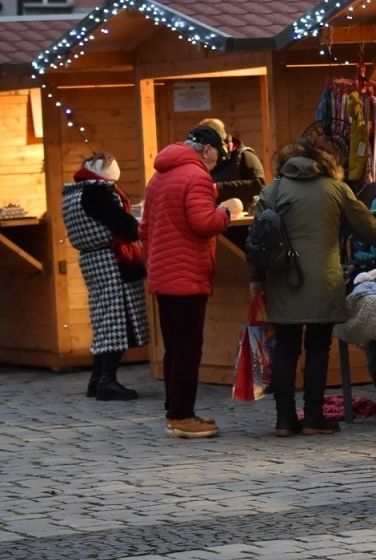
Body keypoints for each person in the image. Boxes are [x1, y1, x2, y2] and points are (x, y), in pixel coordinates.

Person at [250, 139, 376, 437]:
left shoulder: (273, 190)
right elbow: (366, 228)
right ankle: (314, 417)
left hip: (283, 279)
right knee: (317, 347)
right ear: (324, 163)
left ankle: (284, 420)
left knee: (286, 349)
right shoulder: (335, 188)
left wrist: (256, 278)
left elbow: (257, 240)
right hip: (323, 279)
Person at [141, 125, 243, 439]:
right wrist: (228, 211)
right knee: (187, 349)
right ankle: (182, 416)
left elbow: (144, 229)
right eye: (217, 154)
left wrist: (155, 264)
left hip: (163, 274)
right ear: (207, 149)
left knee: (174, 348)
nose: (217, 162)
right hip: (187, 275)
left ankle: (174, 411)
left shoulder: (159, 176)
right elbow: (203, 222)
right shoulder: (197, 177)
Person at [61, 152, 148, 401]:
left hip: (94, 259)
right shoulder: (97, 193)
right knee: (114, 318)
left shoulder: (73, 193)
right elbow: (126, 227)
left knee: (104, 318)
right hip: (111, 259)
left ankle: (97, 379)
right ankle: (107, 381)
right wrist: (137, 224)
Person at [199, 117, 265, 203]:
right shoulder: (203, 158)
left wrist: (220, 188)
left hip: (242, 214)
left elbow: (259, 184)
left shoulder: (244, 155)